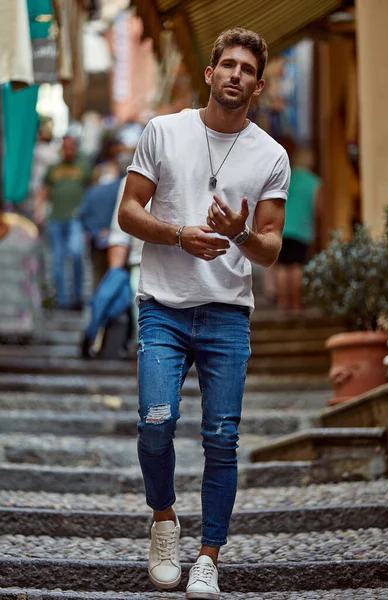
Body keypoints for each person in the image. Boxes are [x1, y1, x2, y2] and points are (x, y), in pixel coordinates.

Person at [118, 28, 290, 599]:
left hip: (226, 315)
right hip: (164, 307)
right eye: (228, 65)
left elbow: (270, 247)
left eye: (247, 69)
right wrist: (177, 235)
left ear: (258, 86)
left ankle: (208, 558)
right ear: (210, 73)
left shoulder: (272, 155)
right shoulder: (163, 132)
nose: (236, 75)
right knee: (155, 422)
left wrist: (238, 231)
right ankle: (164, 520)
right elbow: (128, 211)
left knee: (222, 439)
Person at [35, 135, 92, 310]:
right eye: (65, 147)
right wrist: (39, 210)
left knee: (76, 254)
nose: (68, 151)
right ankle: (62, 300)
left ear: (75, 147)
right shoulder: (54, 167)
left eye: (71, 147)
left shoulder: (84, 166)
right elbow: (44, 189)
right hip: (56, 218)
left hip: (76, 219)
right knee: (57, 260)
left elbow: (91, 190)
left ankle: (77, 296)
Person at [274, 139, 322, 312]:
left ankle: (282, 302)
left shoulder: (284, 178)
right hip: (302, 229)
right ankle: (295, 303)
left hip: (282, 228)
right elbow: (319, 208)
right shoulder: (313, 182)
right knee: (297, 266)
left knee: (282, 266)